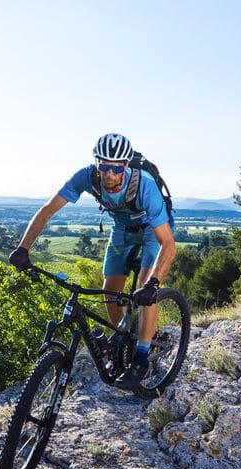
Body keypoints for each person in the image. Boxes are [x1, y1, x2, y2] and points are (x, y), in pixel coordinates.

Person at [9, 133, 176, 390]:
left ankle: (141, 356)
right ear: (96, 163)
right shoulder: (86, 177)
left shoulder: (145, 186)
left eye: (116, 168)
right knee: (110, 290)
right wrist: (23, 248)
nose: (109, 174)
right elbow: (48, 210)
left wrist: (154, 283)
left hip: (153, 231)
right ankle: (123, 337)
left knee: (144, 286)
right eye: (104, 166)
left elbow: (168, 243)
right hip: (122, 230)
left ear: (126, 165)